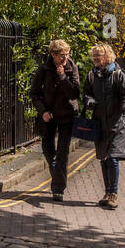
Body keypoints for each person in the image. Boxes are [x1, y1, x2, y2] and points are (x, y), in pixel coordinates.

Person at [29, 38, 80, 202]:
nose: (65, 59)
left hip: (66, 115)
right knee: (47, 149)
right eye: (61, 56)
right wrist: (43, 111)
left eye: (67, 55)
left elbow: (74, 94)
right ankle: (56, 172)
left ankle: (58, 189)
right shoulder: (44, 69)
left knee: (62, 153)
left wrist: (63, 76)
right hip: (49, 116)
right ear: (53, 54)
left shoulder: (72, 68)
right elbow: (34, 93)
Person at [85, 41, 125, 209]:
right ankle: (107, 192)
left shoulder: (118, 75)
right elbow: (87, 94)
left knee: (112, 158)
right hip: (100, 123)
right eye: (94, 56)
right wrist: (89, 102)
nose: (95, 58)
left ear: (107, 57)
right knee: (103, 159)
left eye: (99, 55)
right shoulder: (92, 75)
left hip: (117, 123)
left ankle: (113, 194)